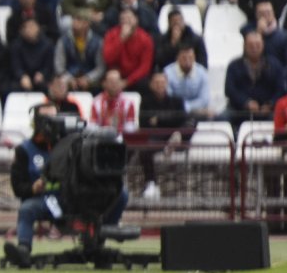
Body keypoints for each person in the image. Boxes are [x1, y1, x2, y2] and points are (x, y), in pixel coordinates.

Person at [3, 104, 127, 268]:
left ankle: (100, 240)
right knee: (27, 208)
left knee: (120, 194)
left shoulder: (76, 145)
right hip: (49, 200)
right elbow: (18, 188)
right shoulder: (25, 150)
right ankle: (23, 250)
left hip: (79, 197)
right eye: (48, 119)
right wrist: (34, 188)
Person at [135, 71, 189, 200]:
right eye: (156, 83)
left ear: (166, 84)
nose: (160, 85)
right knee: (144, 150)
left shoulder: (176, 101)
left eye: (162, 82)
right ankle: (151, 183)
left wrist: (158, 120)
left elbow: (181, 120)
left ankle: (173, 142)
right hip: (157, 138)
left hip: (177, 138)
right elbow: (144, 124)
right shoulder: (146, 102)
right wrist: (169, 121)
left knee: (191, 123)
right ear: (151, 85)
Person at [224, 30, 283, 128]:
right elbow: (229, 90)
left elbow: (281, 89)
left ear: (263, 45)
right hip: (239, 111)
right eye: (251, 45)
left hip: (268, 111)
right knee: (222, 118)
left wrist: (271, 104)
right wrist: (246, 102)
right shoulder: (234, 66)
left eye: (257, 45)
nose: (254, 48)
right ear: (244, 46)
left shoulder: (274, 65)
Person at [102, 7, 154, 91]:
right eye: (123, 19)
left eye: (129, 18)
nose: (126, 21)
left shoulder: (145, 39)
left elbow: (145, 67)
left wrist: (127, 82)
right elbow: (108, 59)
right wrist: (121, 39)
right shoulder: (111, 35)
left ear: (136, 20)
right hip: (116, 74)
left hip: (135, 77)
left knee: (144, 83)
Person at [54, 11, 105, 92]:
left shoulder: (98, 42)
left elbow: (100, 67)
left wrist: (88, 78)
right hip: (69, 79)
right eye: (73, 19)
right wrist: (69, 79)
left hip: (91, 80)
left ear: (86, 23)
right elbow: (59, 66)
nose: (74, 22)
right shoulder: (63, 41)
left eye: (78, 20)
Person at [165, 43, 212, 119]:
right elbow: (168, 97)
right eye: (184, 58)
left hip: (198, 112)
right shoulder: (168, 73)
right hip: (175, 113)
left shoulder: (202, 73)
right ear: (177, 58)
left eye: (190, 58)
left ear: (194, 57)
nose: (187, 61)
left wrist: (186, 107)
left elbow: (204, 100)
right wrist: (182, 108)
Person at [90, 69, 139, 136]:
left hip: (122, 140)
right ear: (104, 83)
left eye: (117, 81)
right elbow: (93, 126)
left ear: (121, 83)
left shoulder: (129, 103)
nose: (114, 85)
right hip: (101, 139)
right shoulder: (96, 102)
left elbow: (130, 128)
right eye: (111, 82)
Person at [10, 18, 53, 93]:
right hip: (23, 78)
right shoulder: (16, 45)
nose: (30, 30)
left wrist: (42, 73)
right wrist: (22, 76)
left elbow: (49, 65)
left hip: (41, 78)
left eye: (32, 26)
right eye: (27, 27)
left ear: (38, 28)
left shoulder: (47, 45)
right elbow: (16, 65)